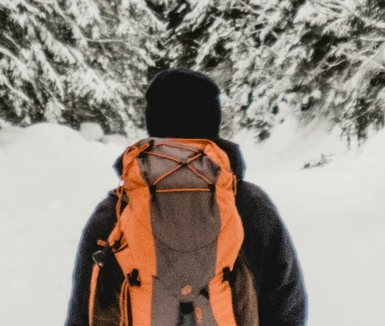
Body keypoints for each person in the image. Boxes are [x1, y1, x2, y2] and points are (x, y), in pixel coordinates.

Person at [64, 69, 308, 326]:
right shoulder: (250, 205)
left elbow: (85, 309)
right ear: (213, 121)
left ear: (154, 124)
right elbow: (286, 305)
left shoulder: (116, 211)